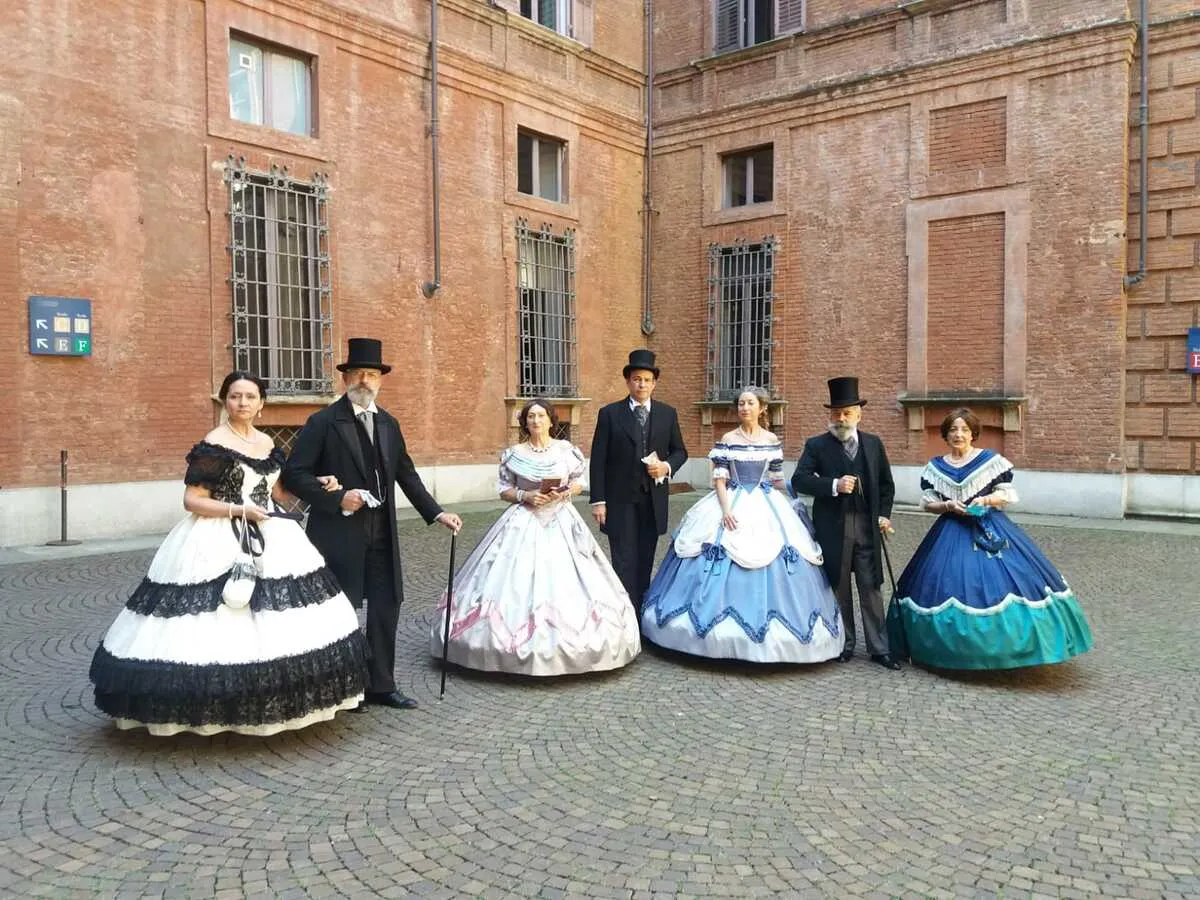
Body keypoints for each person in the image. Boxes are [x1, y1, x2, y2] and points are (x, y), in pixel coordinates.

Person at [89, 371, 369, 736]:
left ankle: (271, 699)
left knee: (274, 619)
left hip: (271, 533)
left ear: (261, 403)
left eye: (250, 397)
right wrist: (239, 511)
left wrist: (320, 483)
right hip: (217, 536)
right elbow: (192, 500)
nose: (243, 403)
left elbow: (279, 493)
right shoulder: (214, 443)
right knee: (216, 617)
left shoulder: (267, 442)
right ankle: (206, 707)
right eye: (235, 396)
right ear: (225, 401)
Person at [283, 338, 462, 711]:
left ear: (380, 380)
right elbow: (295, 474)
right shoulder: (324, 422)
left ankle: (381, 684)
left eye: (372, 374)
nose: (365, 380)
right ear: (346, 377)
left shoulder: (389, 424)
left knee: (386, 606)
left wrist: (436, 512)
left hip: (382, 532)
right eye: (358, 373)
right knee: (342, 609)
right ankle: (348, 688)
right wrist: (335, 498)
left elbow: (406, 475)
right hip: (338, 533)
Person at [431, 399, 641, 675]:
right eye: (531, 417)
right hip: (523, 520)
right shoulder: (514, 453)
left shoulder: (567, 451)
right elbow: (504, 489)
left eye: (541, 416)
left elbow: (580, 481)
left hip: (561, 519)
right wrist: (525, 495)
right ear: (525, 422)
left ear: (552, 420)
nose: (536, 421)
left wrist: (566, 492)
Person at [641, 387, 844, 662]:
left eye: (750, 404)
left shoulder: (771, 439)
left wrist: (791, 502)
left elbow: (775, 478)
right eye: (741, 404)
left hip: (765, 501)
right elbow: (720, 479)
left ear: (762, 408)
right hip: (731, 499)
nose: (744, 408)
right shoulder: (728, 438)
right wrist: (725, 510)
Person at [888, 408, 1094, 669]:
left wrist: (985, 500)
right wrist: (948, 506)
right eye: (952, 429)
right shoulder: (936, 467)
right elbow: (928, 503)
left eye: (963, 429)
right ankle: (948, 649)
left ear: (973, 434)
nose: (958, 434)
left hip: (989, 528)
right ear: (945, 434)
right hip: (950, 530)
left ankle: (1012, 648)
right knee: (944, 579)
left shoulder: (989, 461)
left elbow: (1006, 495)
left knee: (1011, 578)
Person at [792, 376, 901, 670]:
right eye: (836, 413)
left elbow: (887, 486)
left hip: (867, 525)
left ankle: (880, 648)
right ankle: (844, 643)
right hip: (834, 526)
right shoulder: (816, 445)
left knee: (871, 586)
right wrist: (833, 484)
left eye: (847, 413)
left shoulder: (873, 444)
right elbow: (798, 480)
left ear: (858, 414)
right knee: (838, 587)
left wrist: (884, 514)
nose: (841, 419)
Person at [589, 349, 688, 612]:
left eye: (646, 379)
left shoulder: (668, 414)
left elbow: (681, 451)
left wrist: (666, 466)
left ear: (654, 383)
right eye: (636, 379)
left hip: (653, 500)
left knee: (645, 558)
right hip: (619, 500)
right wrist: (598, 501)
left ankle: (641, 610)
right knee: (623, 560)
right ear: (628, 382)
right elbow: (598, 460)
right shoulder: (609, 414)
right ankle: (624, 616)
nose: (641, 384)